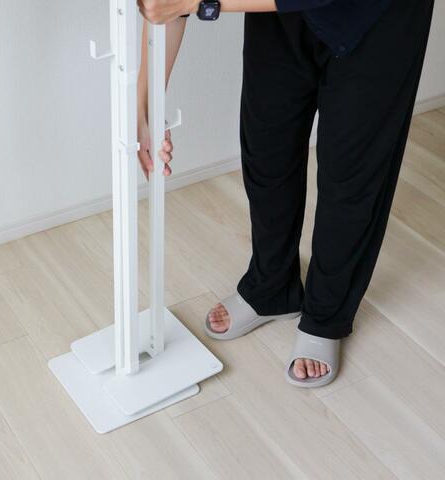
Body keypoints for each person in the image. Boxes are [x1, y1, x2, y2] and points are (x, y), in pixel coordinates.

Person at [136, 0, 434, 387]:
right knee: (267, 149)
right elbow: (165, 5)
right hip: (279, 11)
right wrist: (145, 109)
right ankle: (272, 287)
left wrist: (203, 2)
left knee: (352, 176)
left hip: (380, 18)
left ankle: (326, 315)